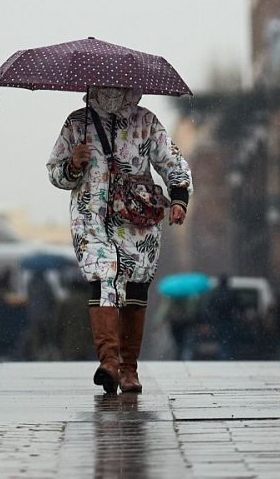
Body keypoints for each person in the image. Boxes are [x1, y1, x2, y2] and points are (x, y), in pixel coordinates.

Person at [47, 86, 193, 394]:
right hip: (91, 218)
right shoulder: (77, 124)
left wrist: (179, 197)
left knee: (135, 287)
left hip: (136, 219)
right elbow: (55, 173)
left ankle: (129, 368)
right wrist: (72, 165)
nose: (111, 91)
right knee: (102, 280)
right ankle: (109, 363)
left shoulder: (145, 122)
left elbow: (171, 160)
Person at [24, 270, 57, 361]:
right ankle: (46, 353)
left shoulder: (30, 284)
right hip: (46, 315)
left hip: (33, 315)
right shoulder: (46, 284)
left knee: (36, 336)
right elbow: (52, 299)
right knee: (47, 336)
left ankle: (36, 353)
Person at [204, 276, 238, 361]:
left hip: (218, 321)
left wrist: (211, 319)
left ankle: (222, 356)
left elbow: (209, 307)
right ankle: (225, 356)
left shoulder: (215, 293)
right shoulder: (231, 292)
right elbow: (238, 305)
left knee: (221, 340)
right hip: (229, 320)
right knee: (227, 340)